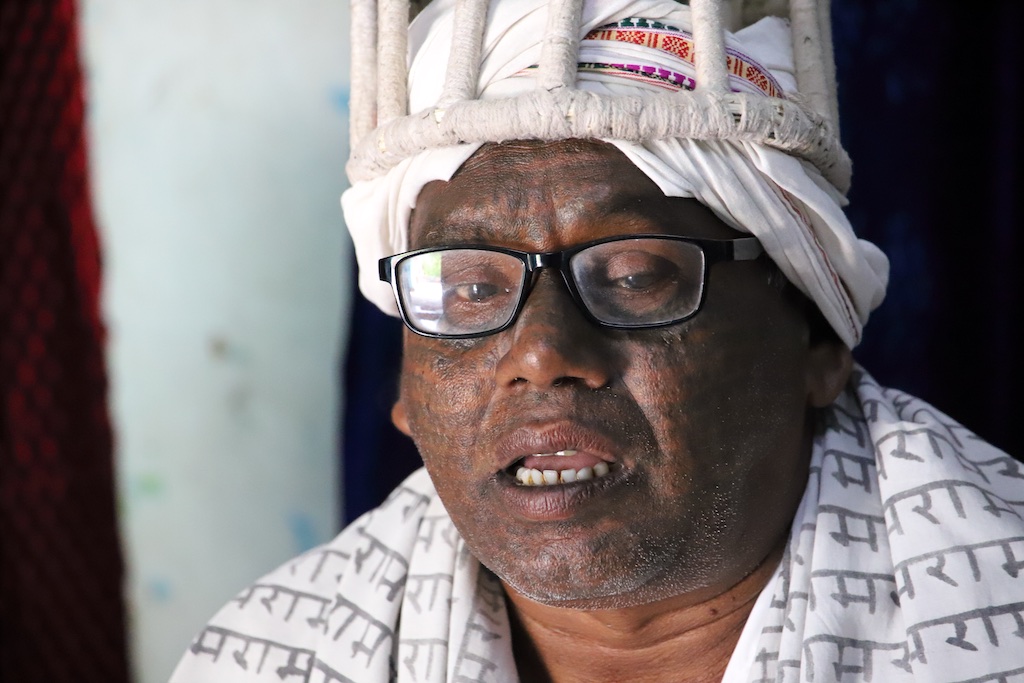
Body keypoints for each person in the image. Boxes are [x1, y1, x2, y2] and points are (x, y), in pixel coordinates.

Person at [170, 1, 1024, 681]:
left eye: (635, 274)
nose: (542, 354)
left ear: (819, 341)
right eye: (471, 289)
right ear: (405, 396)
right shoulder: (272, 656)